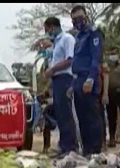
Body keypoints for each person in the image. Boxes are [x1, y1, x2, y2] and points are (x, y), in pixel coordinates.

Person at [70, 4, 103, 156]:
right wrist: (72, 85)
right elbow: (76, 61)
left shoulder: (93, 34)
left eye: (80, 18)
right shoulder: (78, 37)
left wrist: (90, 79)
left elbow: (96, 59)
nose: (78, 22)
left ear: (86, 17)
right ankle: (87, 150)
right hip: (77, 81)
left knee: (92, 117)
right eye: (75, 19)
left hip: (88, 79)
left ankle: (95, 150)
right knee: (81, 117)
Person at [43, 16, 77, 157]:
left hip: (65, 79)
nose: (47, 33)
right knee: (60, 114)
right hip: (57, 80)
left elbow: (70, 60)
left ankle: (70, 146)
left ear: (53, 27)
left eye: (47, 30)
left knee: (66, 114)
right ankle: (63, 146)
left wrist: (53, 69)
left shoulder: (67, 39)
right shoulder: (56, 43)